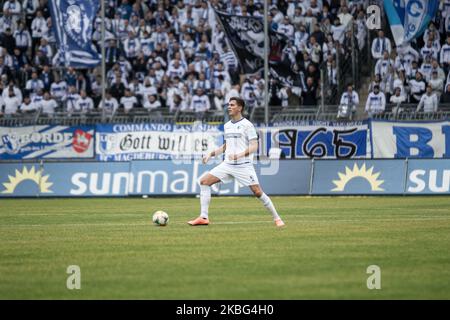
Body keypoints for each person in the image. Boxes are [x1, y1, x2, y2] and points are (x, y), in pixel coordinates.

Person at [187, 97, 285, 228]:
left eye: (232, 105)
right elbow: (226, 145)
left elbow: (254, 146)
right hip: (227, 165)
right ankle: (203, 217)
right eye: (229, 105)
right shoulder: (227, 125)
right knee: (204, 181)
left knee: (257, 192)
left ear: (240, 108)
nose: (229, 107)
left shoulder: (247, 125)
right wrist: (211, 154)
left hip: (243, 166)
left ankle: (277, 218)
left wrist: (239, 155)